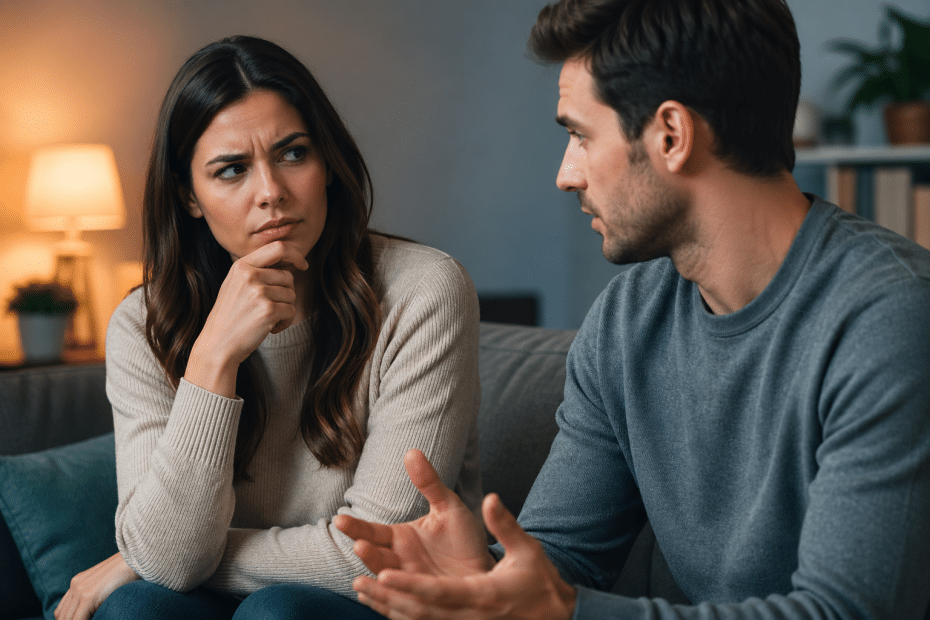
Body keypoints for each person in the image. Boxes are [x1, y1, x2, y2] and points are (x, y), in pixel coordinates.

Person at [335, 0, 930, 618]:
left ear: (671, 135)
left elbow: (848, 611)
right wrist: (481, 576)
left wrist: (565, 611)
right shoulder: (628, 319)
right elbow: (562, 556)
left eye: (579, 134)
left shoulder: (890, 320)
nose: (566, 175)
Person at [53, 35, 482, 620]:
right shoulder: (141, 322)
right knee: (135, 610)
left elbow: (378, 552)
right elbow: (169, 568)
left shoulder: (423, 290)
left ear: (327, 162)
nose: (272, 193)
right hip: (221, 593)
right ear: (191, 198)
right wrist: (213, 358)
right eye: (231, 170)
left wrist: (147, 556)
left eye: (293, 154)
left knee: (276, 612)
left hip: (375, 601)